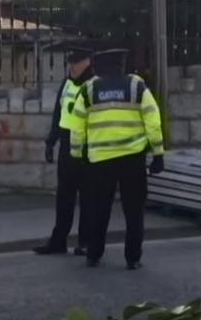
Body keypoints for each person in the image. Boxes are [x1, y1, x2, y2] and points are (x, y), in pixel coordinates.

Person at [69, 48, 164, 270]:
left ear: (98, 67)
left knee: (98, 209)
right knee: (134, 211)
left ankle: (94, 254)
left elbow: (77, 125)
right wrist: (158, 153)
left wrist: (77, 155)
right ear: (123, 65)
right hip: (132, 158)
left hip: (100, 160)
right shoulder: (136, 86)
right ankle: (133, 258)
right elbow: (153, 119)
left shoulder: (89, 88)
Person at [33, 46, 94, 256]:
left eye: (75, 62)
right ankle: (58, 242)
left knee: (88, 198)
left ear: (87, 62)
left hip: (88, 148)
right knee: (64, 197)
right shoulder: (67, 83)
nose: (71, 67)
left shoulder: (95, 84)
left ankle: (85, 242)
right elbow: (59, 114)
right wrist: (51, 142)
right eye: (69, 62)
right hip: (67, 147)